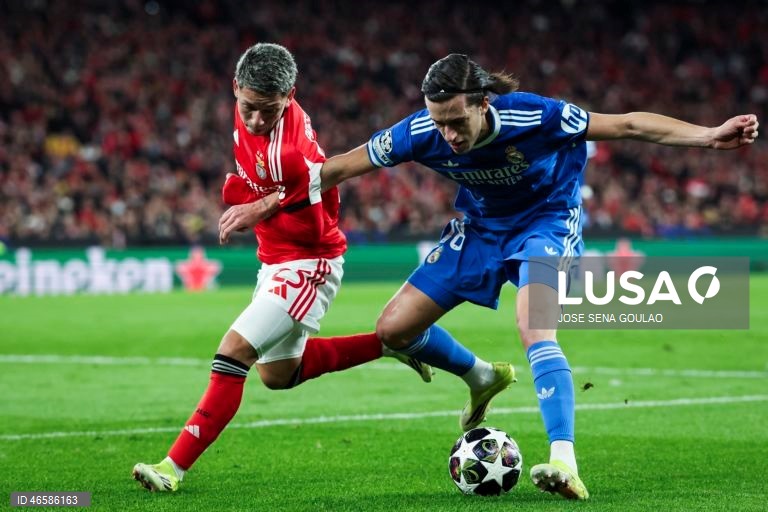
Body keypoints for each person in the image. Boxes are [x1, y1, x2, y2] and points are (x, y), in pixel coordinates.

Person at [223, 53, 759, 500]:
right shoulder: (419, 133)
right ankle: (481, 376)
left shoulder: (537, 116)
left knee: (535, 326)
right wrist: (264, 206)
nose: (448, 134)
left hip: (546, 222)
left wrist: (708, 136)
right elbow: (335, 168)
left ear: (484, 103)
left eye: (458, 121)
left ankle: (564, 461)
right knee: (393, 331)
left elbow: (628, 125)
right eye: (439, 122)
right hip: (481, 230)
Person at [132, 43, 441, 493]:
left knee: (233, 352)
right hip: (274, 258)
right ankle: (391, 346)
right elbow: (252, 177)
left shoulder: (293, 151)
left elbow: (315, 221)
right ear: (235, 87)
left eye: (269, 111)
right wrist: (243, 193)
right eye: (249, 108)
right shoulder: (248, 114)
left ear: (290, 95)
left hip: (309, 260)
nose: (257, 119)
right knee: (278, 375)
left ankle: (171, 468)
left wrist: (260, 205)